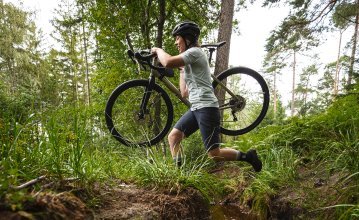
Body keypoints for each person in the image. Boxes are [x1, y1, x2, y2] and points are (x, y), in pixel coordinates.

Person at [151, 21, 262, 172]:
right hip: (196, 108)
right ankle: (181, 174)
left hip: (207, 108)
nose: (176, 42)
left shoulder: (195, 52)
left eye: (178, 38)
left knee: (214, 154)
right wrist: (182, 70)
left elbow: (168, 61)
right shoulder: (189, 58)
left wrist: (158, 50)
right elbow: (184, 92)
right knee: (173, 137)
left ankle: (248, 157)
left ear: (188, 38)